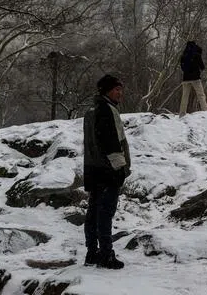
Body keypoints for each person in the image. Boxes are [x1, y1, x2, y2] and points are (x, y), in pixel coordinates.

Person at [83, 74, 131, 270]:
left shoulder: (92, 110)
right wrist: (120, 168)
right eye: (116, 89)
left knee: (94, 211)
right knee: (105, 213)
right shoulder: (107, 110)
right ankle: (105, 255)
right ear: (106, 91)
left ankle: (92, 253)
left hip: (93, 169)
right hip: (108, 170)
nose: (120, 93)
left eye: (121, 89)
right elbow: (111, 142)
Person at [178, 40, 207, 115]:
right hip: (195, 78)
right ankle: (206, 111)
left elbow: (182, 67)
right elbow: (202, 67)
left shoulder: (184, 55)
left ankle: (182, 113)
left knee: (185, 96)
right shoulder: (197, 54)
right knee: (201, 95)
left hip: (185, 78)